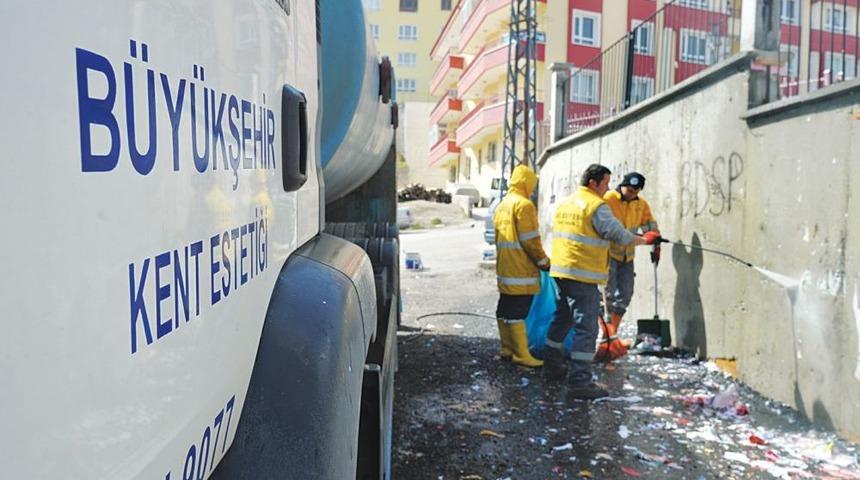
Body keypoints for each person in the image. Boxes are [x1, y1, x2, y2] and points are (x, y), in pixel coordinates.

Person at [543, 164, 658, 398]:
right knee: (586, 328)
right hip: (582, 274)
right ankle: (580, 382)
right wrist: (645, 241)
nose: (607, 188)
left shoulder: (567, 202)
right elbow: (617, 234)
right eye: (605, 183)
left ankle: (552, 366)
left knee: (562, 318)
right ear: (593, 183)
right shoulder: (596, 205)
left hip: (561, 271)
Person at [596, 172, 660, 363]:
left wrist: (656, 240)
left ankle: (611, 335)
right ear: (622, 185)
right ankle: (607, 337)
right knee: (607, 297)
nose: (632, 194)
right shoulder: (608, 200)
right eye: (629, 190)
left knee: (625, 294)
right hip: (608, 254)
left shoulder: (640, 205)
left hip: (627, 256)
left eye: (636, 191)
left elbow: (651, 226)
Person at [493, 164, 550, 368]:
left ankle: (507, 349)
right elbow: (530, 241)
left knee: (505, 308)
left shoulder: (502, 205)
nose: (533, 189)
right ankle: (521, 354)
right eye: (532, 185)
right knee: (518, 312)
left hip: (505, 268)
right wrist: (544, 262)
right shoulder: (524, 205)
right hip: (521, 269)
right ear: (526, 183)